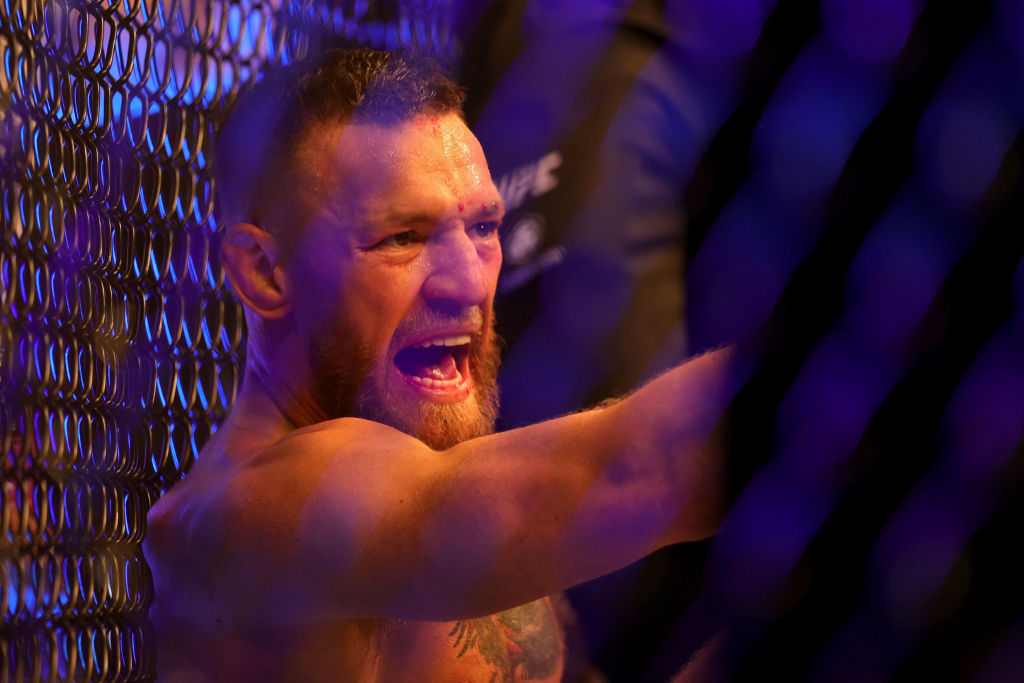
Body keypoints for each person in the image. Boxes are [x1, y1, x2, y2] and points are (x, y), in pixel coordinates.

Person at [144, 48, 736, 682]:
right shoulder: (251, 513)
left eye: (484, 227)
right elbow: (649, 469)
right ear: (264, 271)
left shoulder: (422, 456)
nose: (468, 284)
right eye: (401, 237)